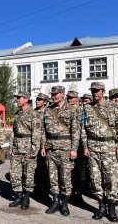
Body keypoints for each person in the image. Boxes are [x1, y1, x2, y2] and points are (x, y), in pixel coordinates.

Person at [81, 82, 118, 222]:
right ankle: (101, 206)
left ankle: (111, 208)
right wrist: (85, 146)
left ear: (103, 91)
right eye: (93, 91)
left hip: (109, 147)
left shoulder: (113, 107)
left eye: (98, 90)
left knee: (111, 178)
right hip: (93, 148)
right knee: (95, 178)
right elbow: (83, 129)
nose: (95, 93)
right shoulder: (87, 108)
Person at [41, 86, 79, 216]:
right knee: (53, 178)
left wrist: (74, 149)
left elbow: (75, 132)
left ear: (62, 94)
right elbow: (43, 130)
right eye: (52, 94)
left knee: (65, 178)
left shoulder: (71, 110)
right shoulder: (48, 109)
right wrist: (43, 146)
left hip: (65, 149)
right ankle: (55, 201)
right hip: (51, 148)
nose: (53, 96)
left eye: (56, 94)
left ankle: (64, 203)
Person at [9, 91, 41, 210]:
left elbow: (37, 133)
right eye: (17, 98)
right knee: (14, 173)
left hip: (28, 148)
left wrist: (34, 150)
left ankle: (26, 196)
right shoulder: (17, 114)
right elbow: (14, 132)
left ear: (26, 99)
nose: (17, 100)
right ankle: (18, 195)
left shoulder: (34, 114)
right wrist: (11, 147)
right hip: (17, 147)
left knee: (28, 174)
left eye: (19, 98)